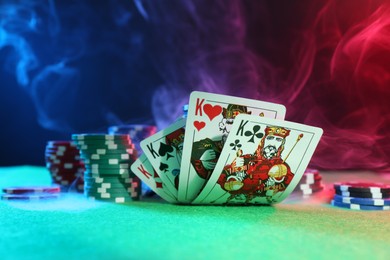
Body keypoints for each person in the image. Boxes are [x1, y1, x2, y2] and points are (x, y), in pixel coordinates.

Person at [217, 125, 294, 203]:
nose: (273, 143)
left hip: (261, 205)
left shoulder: (282, 166)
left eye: (278, 140)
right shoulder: (246, 159)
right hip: (236, 202)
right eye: (270, 138)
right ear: (263, 140)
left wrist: (277, 183)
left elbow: (290, 183)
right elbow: (220, 175)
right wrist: (233, 174)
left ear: (282, 144)